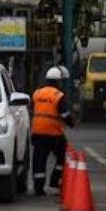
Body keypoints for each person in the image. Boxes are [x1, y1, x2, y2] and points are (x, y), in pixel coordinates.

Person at [31, 66, 75, 196]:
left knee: (39, 160)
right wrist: (71, 123)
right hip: (54, 134)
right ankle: (55, 182)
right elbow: (65, 114)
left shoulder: (37, 93)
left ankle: (38, 188)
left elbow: (32, 109)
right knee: (61, 157)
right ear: (58, 81)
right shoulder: (58, 95)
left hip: (38, 133)